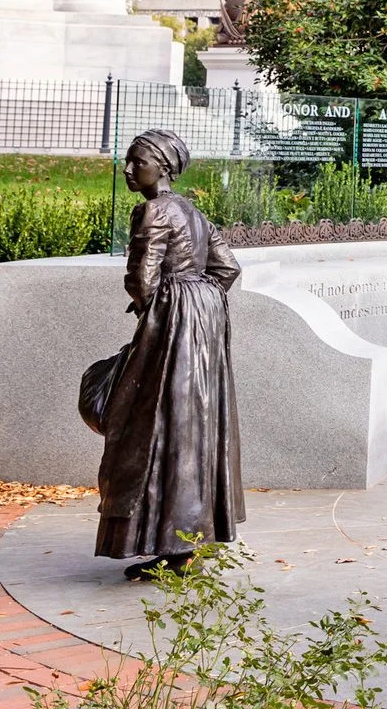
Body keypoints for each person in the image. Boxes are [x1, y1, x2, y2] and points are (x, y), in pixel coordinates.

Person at [92, 128, 244, 578]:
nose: (127, 169)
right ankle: (184, 540)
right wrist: (201, 301)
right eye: (128, 161)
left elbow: (141, 277)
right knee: (189, 422)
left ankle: (167, 538)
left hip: (173, 320)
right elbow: (228, 268)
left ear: (165, 167)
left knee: (151, 422)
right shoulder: (194, 213)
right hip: (203, 319)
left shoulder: (153, 210)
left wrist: (162, 307)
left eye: (137, 161)